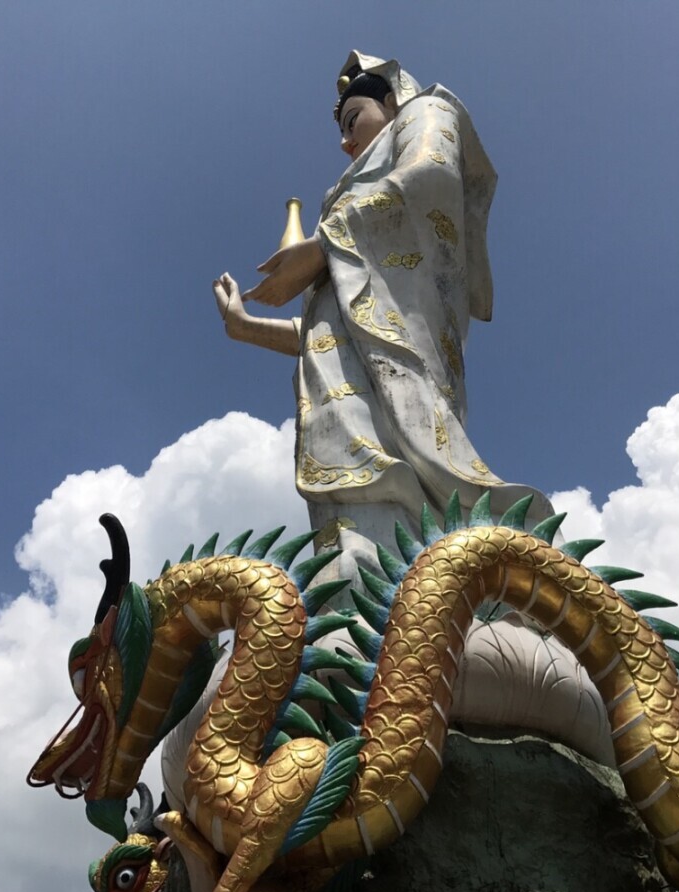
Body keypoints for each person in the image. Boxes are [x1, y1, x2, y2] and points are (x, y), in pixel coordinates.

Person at [214, 50, 555, 584]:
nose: (345, 143)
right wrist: (246, 327)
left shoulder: (426, 111)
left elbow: (430, 175)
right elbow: (335, 329)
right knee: (350, 515)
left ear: (393, 100)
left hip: (408, 351)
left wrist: (322, 244)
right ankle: (361, 569)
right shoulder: (348, 216)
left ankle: (433, 578)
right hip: (342, 386)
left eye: (353, 121)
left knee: (410, 479)